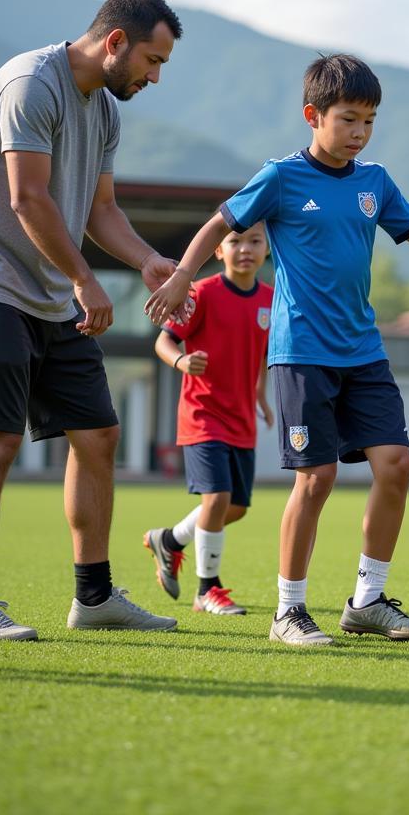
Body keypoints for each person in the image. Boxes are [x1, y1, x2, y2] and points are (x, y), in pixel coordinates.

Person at [145, 54, 409, 646]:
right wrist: (179, 278)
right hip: (302, 354)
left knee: (397, 465)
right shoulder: (280, 177)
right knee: (316, 479)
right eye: (349, 119)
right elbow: (219, 225)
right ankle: (289, 613)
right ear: (312, 115)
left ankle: (368, 601)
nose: (359, 133)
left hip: (364, 351)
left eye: (370, 121)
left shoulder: (376, 183)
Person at [0, 0, 183, 640]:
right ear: (115, 43)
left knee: (97, 435)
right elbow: (27, 197)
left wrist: (146, 262)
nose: (154, 77)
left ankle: (94, 597)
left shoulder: (104, 109)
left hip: (50, 295)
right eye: (152, 61)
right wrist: (84, 280)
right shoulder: (30, 84)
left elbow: (102, 210)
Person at [144, 221, 274, 615]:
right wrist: (182, 360)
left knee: (234, 507)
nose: (245, 249)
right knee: (216, 499)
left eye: (255, 241)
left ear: (267, 249)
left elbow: (261, 356)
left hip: (241, 421)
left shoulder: (270, 299)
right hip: (203, 416)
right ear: (218, 250)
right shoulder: (201, 293)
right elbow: (163, 340)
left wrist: (261, 397)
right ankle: (208, 589)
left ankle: (169, 540)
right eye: (234, 241)